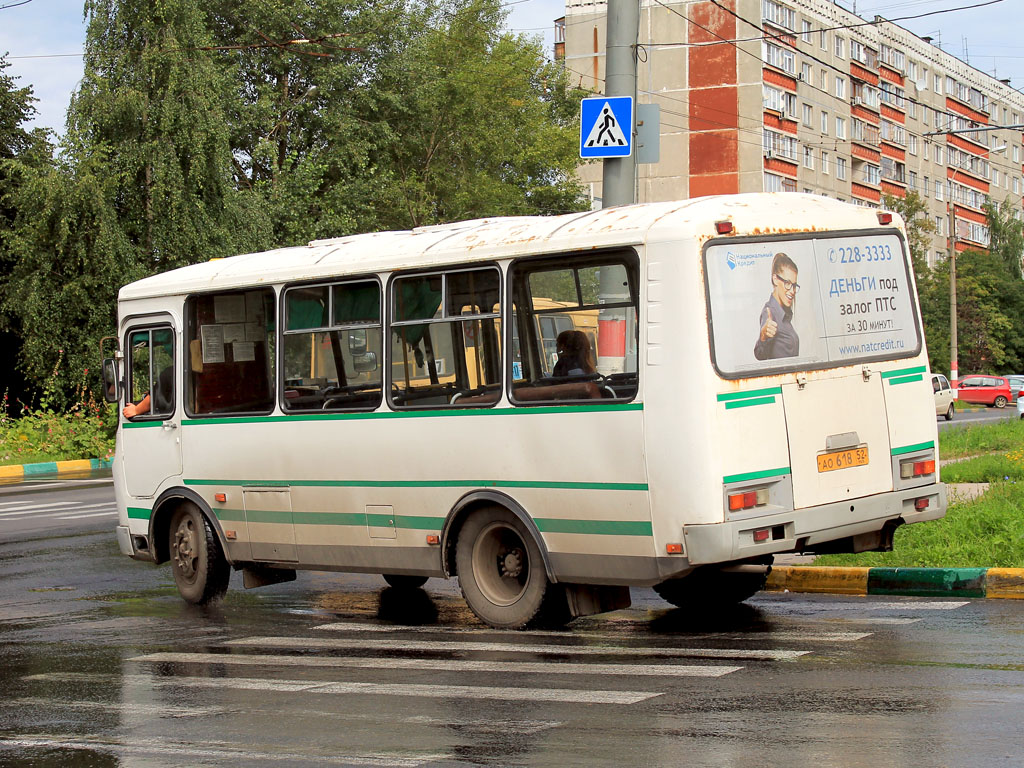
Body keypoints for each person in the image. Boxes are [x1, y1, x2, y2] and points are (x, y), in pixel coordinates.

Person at [753, 253, 800, 361]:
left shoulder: (784, 315)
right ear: (775, 279)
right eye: (787, 283)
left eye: (794, 285)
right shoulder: (770, 312)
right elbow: (760, 354)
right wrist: (763, 336)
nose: (792, 291)